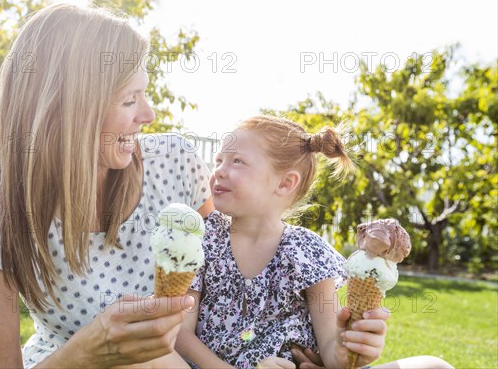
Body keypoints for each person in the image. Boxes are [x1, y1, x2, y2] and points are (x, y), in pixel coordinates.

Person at [0, 3, 214, 368]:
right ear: (69, 112)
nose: (149, 115)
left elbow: (238, 262)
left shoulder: (175, 163)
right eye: (130, 100)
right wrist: (87, 352)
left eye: (143, 95)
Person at [176, 115, 454, 369]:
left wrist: (350, 352)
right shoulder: (203, 239)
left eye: (237, 161)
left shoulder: (305, 251)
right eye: (218, 161)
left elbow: (331, 349)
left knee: (435, 366)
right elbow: (180, 334)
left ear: (285, 183)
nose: (220, 171)